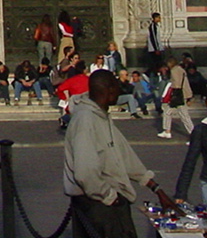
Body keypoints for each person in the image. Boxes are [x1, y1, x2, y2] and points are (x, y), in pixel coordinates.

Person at [64, 69, 176, 238]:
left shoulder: (101, 116)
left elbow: (124, 156)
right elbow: (85, 172)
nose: (120, 91)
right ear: (110, 90)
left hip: (109, 203)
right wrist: (110, 197)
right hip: (99, 206)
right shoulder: (85, 120)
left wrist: (155, 188)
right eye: (117, 87)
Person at [157, 59, 195, 140]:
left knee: (184, 116)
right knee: (168, 112)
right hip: (183, 94)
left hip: (178, 96)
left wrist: (170, 88)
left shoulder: (174, 71)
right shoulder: (181, 69)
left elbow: (177, 84)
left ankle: (194, 134)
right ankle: (167, 131)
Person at [57, 61, 90, 132]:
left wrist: (65, 98)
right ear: (84, 70)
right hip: (87, 104)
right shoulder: (89, 80)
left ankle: (65, 119)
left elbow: (60, 89)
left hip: (75, 104)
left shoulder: (71, 80)